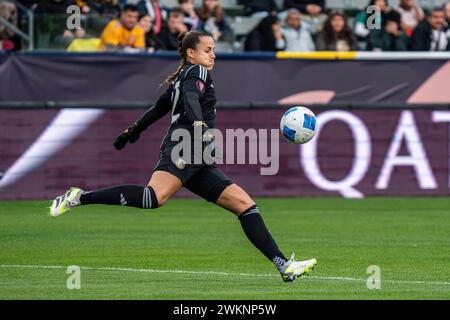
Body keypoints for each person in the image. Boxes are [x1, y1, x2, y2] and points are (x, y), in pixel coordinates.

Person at [49, 30, 317, 283]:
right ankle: (79, 197)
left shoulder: (182, 76)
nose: (213, 55)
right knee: (153, 198)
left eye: (213, 50)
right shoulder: (196, 72)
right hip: (185, 146)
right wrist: (199, 125)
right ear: (191, 53)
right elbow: (190, 99)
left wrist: (132, 131)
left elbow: (157, 109)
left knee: (244, 204)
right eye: (207, 50)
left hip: (196, 152)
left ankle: (284, 265)